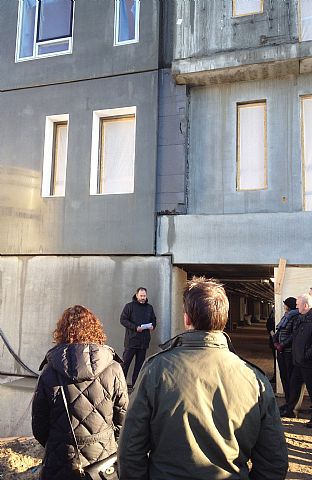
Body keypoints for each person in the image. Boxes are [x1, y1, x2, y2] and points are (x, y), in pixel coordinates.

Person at [118, 277, 288, 480]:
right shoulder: (255, 379)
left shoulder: (155, 370)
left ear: (186, 319)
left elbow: (130, 450)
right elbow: (274, 461)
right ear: (225, 318)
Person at [32, 305, 128, 480]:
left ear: (61, 332)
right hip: (103, 459)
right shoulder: (114, 369)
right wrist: (106, 440)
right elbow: (123, 419)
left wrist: (59, 442)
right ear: (95, 329)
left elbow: (39, 425)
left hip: (60, 457)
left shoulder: (49, 371)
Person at [281, 293, 312, 427]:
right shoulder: (302, 318)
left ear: (306, 305)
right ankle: (291, 411)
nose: (296, 306)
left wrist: (306, 355)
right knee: (294, 386)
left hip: (308, 362)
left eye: (298, 304)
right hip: (299, 361)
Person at [120, 287, 156, 387]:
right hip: (131, 342)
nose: (143, 298)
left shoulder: (149, 308)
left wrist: (153, 326)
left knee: (139, 367)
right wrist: (135, 328)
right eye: (141, 296)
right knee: (125, 365)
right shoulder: (129, 306)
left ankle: (135, 387)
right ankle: (120, 386)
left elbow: (154, 319)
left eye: (144, 296)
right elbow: (123, 320)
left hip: (143, 343)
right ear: (136, 295)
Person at [273, 297, 299, 407]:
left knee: (289, 378)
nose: (284, 306)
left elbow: (294, 335)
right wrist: (275, 341)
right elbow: (279, 330)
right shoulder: (286, 316)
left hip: (288, 352)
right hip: (281, 352)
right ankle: (287, 401)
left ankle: (290, 403)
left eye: (285, 304)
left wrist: (282, 345)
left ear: (289, 305)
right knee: (283, 376)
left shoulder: (295, 318)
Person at [266, 306, 276, 382]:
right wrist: (270, 331)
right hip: (273, 340)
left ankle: (276, 376)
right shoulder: (272, 314)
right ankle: (275, 376)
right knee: (275, 359)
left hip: (279, 341)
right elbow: (268, 323)